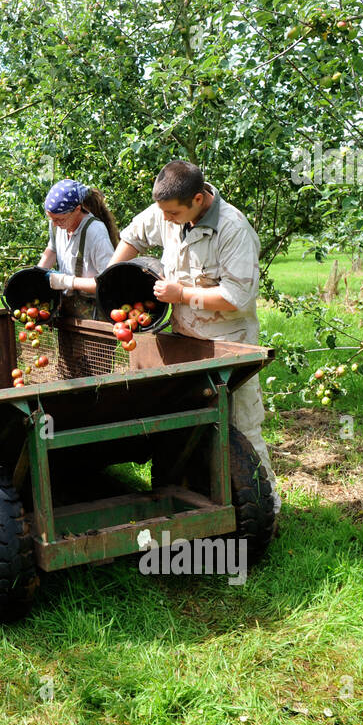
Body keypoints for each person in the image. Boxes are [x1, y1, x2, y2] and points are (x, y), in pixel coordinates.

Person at [111, 159, 281, 513]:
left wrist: (183, 295)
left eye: (173, 213)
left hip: (228, 343)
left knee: (242, 427)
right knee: (191, 425)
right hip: (185, 340)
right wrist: (110, 277)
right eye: (164, 213)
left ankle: (267, 512)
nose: (167, 220)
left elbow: (237, 298)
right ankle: (201, 500)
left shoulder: (233, 230)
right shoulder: (167, 209)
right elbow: (133, 235)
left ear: (199, 199)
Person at [36, 179, 119, 318]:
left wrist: (67, 281)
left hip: (95, 312)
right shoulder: (57, 225)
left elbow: (108, 283)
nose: (55, 224)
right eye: (52, 219)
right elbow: (52, 250)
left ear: (77, 210)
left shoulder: (95, 232)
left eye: (59, 219)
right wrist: (35, 277)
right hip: (68, 309)